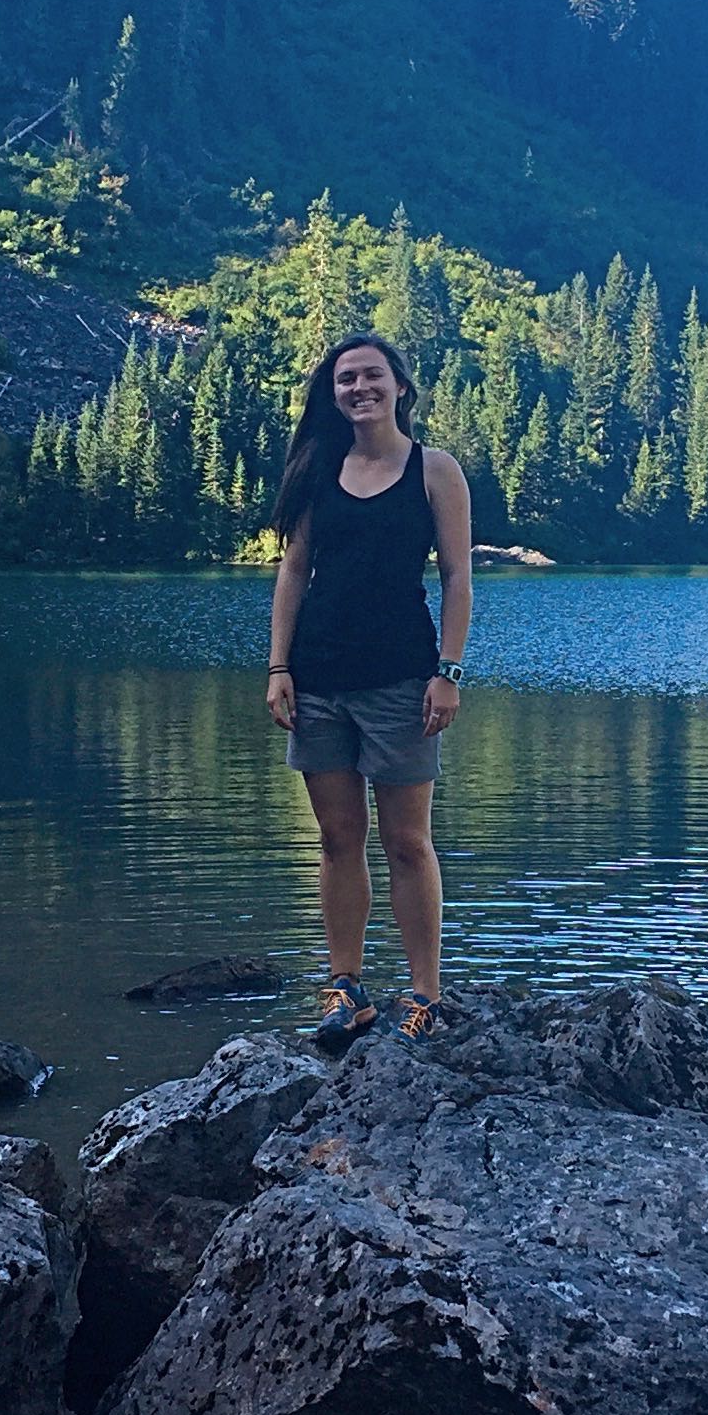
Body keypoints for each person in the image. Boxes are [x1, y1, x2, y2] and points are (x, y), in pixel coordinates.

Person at [265, 332, 471, 1046]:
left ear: (400, 387)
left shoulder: (433, 470)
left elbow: (456, 578)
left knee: (408, 842)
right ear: (334, 394)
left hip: (403, 679)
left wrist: (448, 672)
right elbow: (294, 572)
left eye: (372, 375)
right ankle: (346, 989)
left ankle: (424, 997)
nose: (360, 388)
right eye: (346, 379)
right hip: (319, 679)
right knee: (336, 838)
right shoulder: (317, 468)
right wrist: (279, 667)